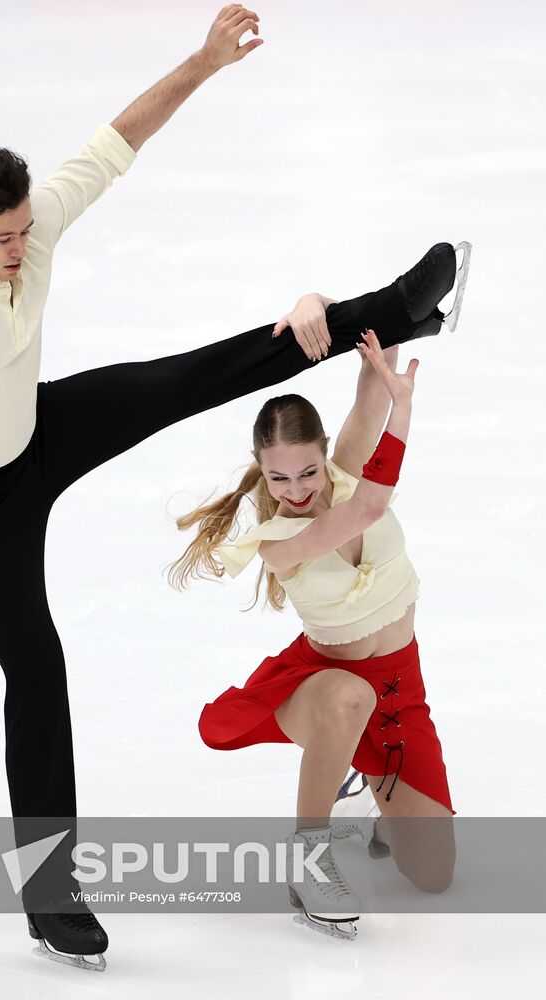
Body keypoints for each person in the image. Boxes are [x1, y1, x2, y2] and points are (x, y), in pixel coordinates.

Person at [0, 0, 468, 969]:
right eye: (1, 238)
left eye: (22, 230)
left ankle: (392, 314)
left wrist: (206, 60)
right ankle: (52, 899)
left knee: (185, 376)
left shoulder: (27, 225)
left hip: (36, 427)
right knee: (36, 673)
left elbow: (118, 137)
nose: (21, 246)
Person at [168, 327, 460, 942]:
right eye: (279, 481)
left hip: (400, 686)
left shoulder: (345, 467)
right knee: (350, 699)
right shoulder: (279, 543)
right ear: (262, 475)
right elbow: (366, 512)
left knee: (433, 873)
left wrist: (391, 342)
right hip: (326, 684)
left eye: (306, 472)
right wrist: (404, 415)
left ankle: (358, 784)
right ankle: (307, 861)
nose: (297, 492)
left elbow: (370, 394)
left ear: (325, 452)